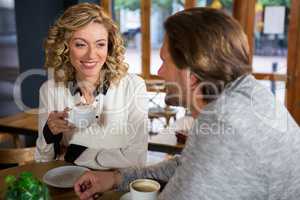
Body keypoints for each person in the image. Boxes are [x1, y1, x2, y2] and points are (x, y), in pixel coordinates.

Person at [74, 7, 300, 200]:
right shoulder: (247, 94)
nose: (159, 72)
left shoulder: (225, 127)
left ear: (190, 74)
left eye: (164, 61)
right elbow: (189, 165)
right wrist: (116, 178)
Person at [35, 3, 148, 169]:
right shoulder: (50, 90)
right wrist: (49, 134)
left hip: (115, 188)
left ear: (109, 46)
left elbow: (137, 160)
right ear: (65, 47)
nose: (91, 55)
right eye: (81, 44)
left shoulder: (134, 87)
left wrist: (73, 153)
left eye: (100, 44)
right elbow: (42, 161)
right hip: (69, 186)